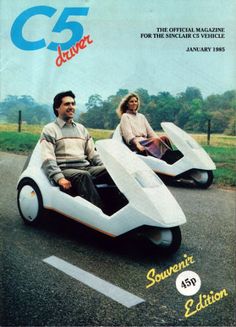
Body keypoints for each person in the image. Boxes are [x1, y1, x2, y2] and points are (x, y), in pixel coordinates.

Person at [40, 90, 109, 208]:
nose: (71, 107)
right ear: (57, 107)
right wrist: (59, 178)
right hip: (66, 169)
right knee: (83, 175)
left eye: (73, 104)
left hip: (86, 167)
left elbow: (93, 154)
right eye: (67, 104)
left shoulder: (82, 129)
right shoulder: (50, 129)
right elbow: (48, 158)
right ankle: (100, 214)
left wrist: (106, 167)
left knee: (111, 171)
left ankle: (123, 208)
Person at [116, 93, 172, 159]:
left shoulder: (141, 116)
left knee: (164, 138)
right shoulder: (125, 116)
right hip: (136, 143)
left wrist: (160, 141)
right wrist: (137, 144)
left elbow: (151, 132)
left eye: (135, 101)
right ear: (127, 104)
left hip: (146, 141)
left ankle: (172, 157)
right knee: (156, 141)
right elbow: (128, 135)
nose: (134, 103)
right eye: (131, 101)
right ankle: (168, 158)